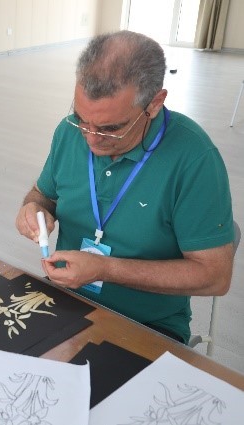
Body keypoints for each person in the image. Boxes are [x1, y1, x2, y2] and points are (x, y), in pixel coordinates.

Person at [15, 31, 234, 344]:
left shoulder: (194, 158)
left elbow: (215, 276)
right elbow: (42, 194)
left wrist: (105, 268)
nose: (90, 138)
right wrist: (33, 208)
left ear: (155, 103)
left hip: (148, 326)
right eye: (81, 119)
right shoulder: (69, 132)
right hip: (68, 303)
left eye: (111, 128)